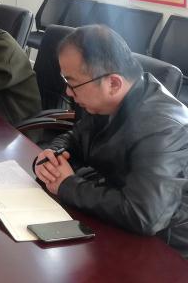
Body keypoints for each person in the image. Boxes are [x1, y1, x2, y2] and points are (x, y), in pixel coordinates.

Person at [35, 25, 188, 258]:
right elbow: (75, 138)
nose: (68, 92)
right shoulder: (105, 100)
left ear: (113, 83)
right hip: (114, 212)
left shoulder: (165, 129)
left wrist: (67, 185)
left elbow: (144, 214)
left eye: (72, 83)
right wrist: (53, 155)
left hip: (165, 247)